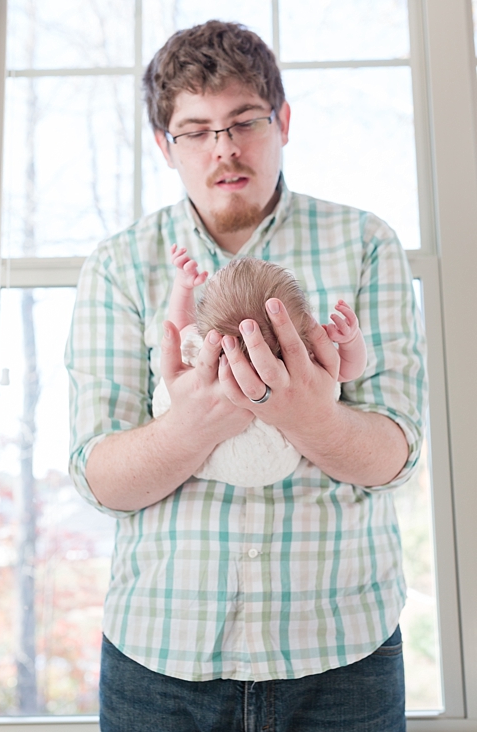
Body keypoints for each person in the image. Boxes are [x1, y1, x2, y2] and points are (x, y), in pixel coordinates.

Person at [65, 20, 425, 732]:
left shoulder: (364, 245)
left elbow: (396, 456)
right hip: (160, 662)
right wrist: (196, 422)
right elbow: (99, 477)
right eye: (195, 130)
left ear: (282, 122)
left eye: (243, 122)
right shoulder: (121, 265)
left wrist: (309, 415)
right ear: (167, 147)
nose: (223, 148)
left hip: (344, 656)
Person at [153, 252, 367, 486]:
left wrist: (184, 287)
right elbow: (347, 371)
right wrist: (350, 341)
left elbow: (180, 325)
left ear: (205, 327)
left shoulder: (198, 346)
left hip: (207, 459)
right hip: (278, 460)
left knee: (177, 378)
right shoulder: (303, 362)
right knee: (326, 383)